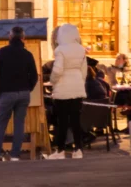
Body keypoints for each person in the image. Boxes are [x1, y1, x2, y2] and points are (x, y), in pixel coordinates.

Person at [0, 26, 39, 163]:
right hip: (23, 93)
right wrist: (28, 88)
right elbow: (34, 76)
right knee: (19, 124)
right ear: (23, 38)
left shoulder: (1, 52)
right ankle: (15, 155)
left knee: (1, 124)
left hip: (6, 92)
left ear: (10, 37)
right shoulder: (27, 54)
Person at [46, 24, 88, 160]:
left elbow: (57, 70)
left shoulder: (60, 50)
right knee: (76, 120)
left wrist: (52, 81)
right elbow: (84, 71)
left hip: (63, 88)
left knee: (62, 121)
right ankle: (78, 150)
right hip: (77, 87)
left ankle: (60, 150)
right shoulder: (81, 50)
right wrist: (79, 82)